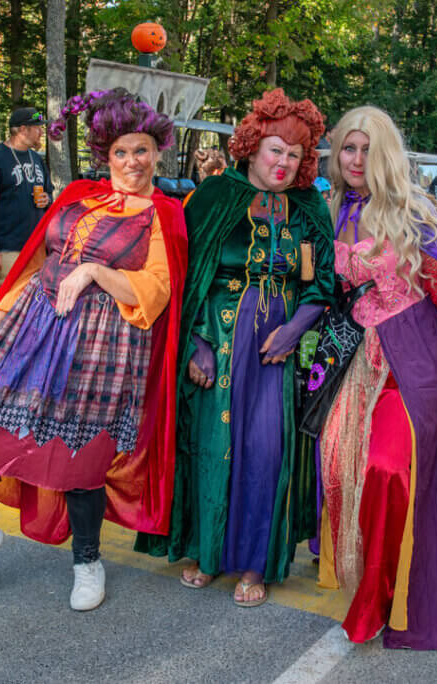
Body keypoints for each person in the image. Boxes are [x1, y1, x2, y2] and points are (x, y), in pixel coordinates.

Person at [0, 89, 187, 611]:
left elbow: (158, 288)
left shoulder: (164, 215)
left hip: (103, 341)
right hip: (30, 327)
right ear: (104, 156)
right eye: (120, 152)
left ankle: (88, 562)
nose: (132, 162)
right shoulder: (77, 197)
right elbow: (30, 267)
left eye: (141, 150)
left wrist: (95, 270)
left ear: (158, 152)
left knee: (77, 458)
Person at [136, 89, 335, 608]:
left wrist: (295, 330)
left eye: (294, 155)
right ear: (250, 147)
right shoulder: (211, 197)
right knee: (211, 445)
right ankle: (206, 553)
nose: (284, 163)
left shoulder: (309, 208)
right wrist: (197, 342)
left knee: (266, 452)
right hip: (218, 344)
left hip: (277, 349)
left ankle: (254, 561)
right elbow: (186, 277)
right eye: (275, 150)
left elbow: (320, 282)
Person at [318, 106, 437, 648]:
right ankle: (371, 581)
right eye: (348, 148)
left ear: (387, 155)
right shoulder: (329, 209)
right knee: (340, 471)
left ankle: (378, 602)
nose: (356, 159)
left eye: (367, 149)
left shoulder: (408, 208)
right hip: (353, 361)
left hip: (412, 360)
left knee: (387, 469)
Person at [0, 107, 53, 297]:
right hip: (7, 248)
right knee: (3, 305)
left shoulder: (36, 159)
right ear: (22, 130)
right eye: (37, 127)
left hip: (36, 248)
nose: (41, 132)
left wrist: (47, 199)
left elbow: (49, 192)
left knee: (34, 303)